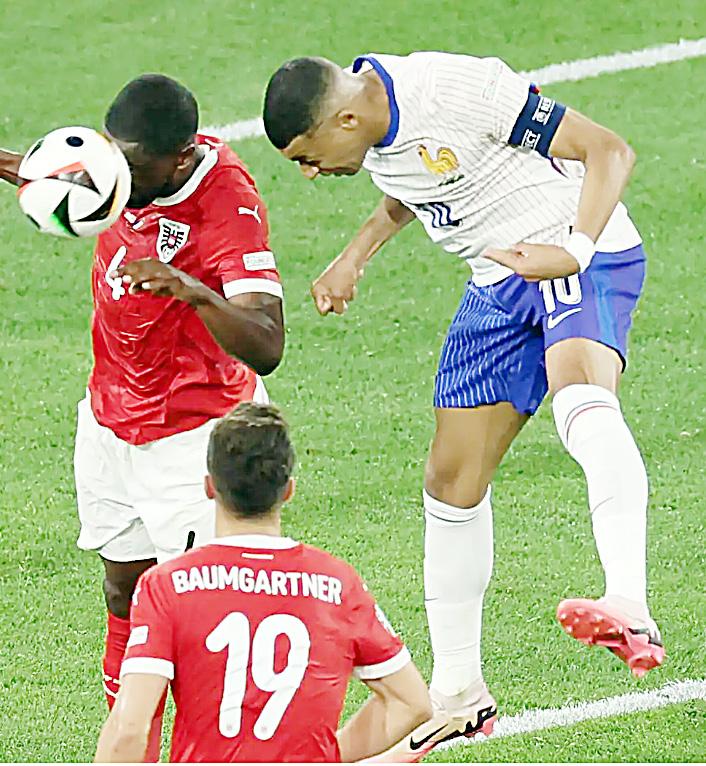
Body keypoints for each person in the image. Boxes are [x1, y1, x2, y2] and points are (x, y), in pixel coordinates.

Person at [261, 52, 665, 743]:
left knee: (580, 398)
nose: (309, 173)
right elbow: (413, 184)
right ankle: (457, 691)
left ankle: (630, 601)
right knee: (451, 480)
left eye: (307, 156)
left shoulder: (455, 90)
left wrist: (573, 250)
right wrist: (355, 255)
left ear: (345, 119)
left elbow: (607, 151)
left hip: (573, 246)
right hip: (498, 276)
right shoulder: (373, 129)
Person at [0, 74, 284, 760]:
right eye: (109, 158)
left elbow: (268, 342)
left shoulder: (225, 204)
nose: (113, 179)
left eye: (129, 168)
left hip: (193, 437)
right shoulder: (123, 166)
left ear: (179, 159)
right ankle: (133, 750)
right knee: (124, 589)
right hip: (110, 418)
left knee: (201, 618)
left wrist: (191, 290)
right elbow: (56, 175)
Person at [94, 402, 433, 763]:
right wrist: (326, 757)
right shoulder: (338, 585)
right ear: (288, 490)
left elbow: (129, 729)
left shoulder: (168, 586)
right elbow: (411, 704)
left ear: (209, 487)